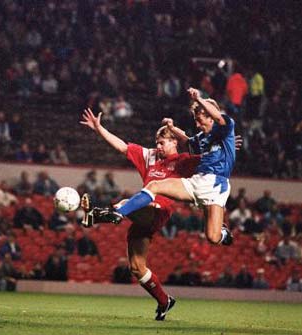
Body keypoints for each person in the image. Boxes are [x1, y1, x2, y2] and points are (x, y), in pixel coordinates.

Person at [80, 105, 241, 321]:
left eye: (162, 142)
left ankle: (105, 214)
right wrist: (100, 129)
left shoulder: (185, 161)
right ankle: (165, 301)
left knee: (127, 202)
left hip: (156, 211)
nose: (158, 146)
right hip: (140, 213)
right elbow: (123, 147)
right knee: (137, 268)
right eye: (157, 142)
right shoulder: (150, 156)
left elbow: (210, 155)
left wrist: (227, 145)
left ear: (174, 142)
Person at [84, 87, 236, 248]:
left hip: (216, 184)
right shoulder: (203, 138)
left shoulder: (225, 127)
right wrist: (172, 128)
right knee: (154, 186)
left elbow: (219, 118)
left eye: (199, 119)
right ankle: (116, 213)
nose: (197, 124)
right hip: (197, 181)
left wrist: (199, 99)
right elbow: (188, 142)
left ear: (210, 117)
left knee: (213, 237)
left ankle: (224, 234)